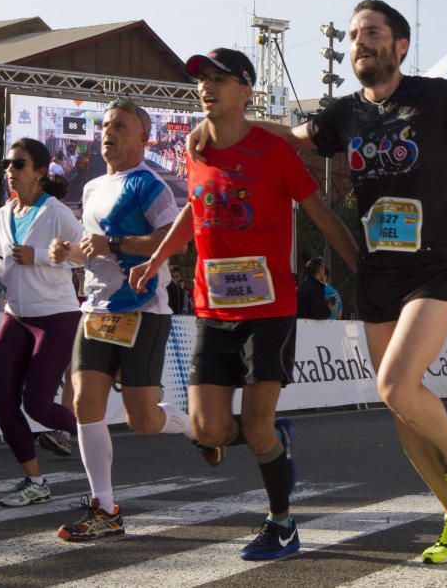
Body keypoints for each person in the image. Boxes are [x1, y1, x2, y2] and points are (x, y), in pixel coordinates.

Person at [188, 0, 447, 564]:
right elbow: (294, 134)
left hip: (435, 266)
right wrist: (226, 123)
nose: (359, 42)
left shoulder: (438, 96)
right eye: (352, 35)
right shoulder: (344, 113)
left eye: (371, 32)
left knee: (396, 386)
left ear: (400, 46)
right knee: (402, 418)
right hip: (378, 273)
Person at [132, 48, 358, 561]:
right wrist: (157, 259)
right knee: (208, 429)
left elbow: (321, 215)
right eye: (202, 80)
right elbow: (194, 210)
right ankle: (272, 437)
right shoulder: (195, 149)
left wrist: (365, 269)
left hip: (269, 308)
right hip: (213, 311)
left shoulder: (273, 151)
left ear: (246, 90)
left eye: (220, 79)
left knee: (254, 427)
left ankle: (281, 523)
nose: (207, 87)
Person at [48, 99, 195, 541]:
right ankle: (105, 508)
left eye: (121, 125)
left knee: (142, 420)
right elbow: (93, 251)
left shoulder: (151, 186)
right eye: (107, 123)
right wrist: (68, 254)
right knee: (83, 403)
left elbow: (175, 244)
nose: (109, 131)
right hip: (95, 309)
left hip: (142, 311)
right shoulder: (92, 188)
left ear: (142, 138)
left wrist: (113, 244)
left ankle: (199, 428)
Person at [0, 138, 83, 507]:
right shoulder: (3, 215)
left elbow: (85, 255)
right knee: (4, 400)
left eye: (18, 164)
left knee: (37, 404)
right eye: (8, 164)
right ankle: (35, 481)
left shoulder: (56, 212)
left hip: (56, 317)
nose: (10, 171)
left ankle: (91, 432)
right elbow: (10, 272)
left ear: (40, 171)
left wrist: (39, 255)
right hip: (16, 317)